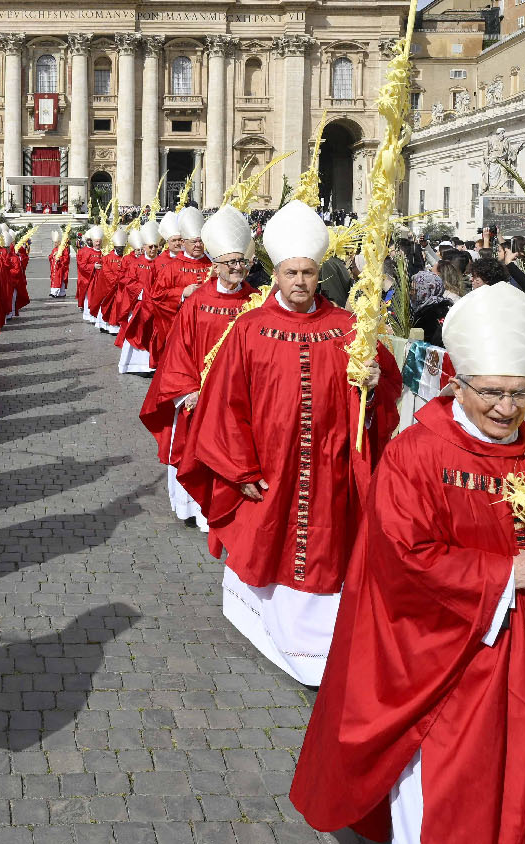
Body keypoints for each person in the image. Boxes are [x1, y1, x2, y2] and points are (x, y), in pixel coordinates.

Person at [291, 281, 525, 842]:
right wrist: (505, 575)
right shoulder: (416, 454)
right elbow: (401, 559)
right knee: (460, 789)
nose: (506, 408)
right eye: (491, 392)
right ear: (457, 382)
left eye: (519, 393)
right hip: (453, 661)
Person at [177, 200, 400, 686]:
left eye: (308, 273)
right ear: (275, 273)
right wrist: (240, 470)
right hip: (268, 470)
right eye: (291, 272)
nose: (300, 282)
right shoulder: (250, 328)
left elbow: (384, 393)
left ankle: (319, 652)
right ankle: (269, 630)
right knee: (267, 545)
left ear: (319, 273)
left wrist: (373, 378)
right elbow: (225, 405)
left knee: (326, 551)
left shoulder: (348, 328)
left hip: (330, 468)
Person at [141, 205, 256, 530]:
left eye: (241, 261)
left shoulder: (256, 303)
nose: (237, 268)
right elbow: (178, 353)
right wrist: (188, 391)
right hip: (198, 398)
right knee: (197, 450)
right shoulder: (197, 304)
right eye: (231, 262)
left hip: (240, 402)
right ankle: (192, 509)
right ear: (216, 266)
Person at [119, 207, 209, 375]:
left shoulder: (212, 265)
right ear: (184, 242)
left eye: (200, 241)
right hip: (177, 322)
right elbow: (158, 295)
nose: (198, 245)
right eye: (193, 241)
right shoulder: (171, 267)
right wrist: (182, 293)